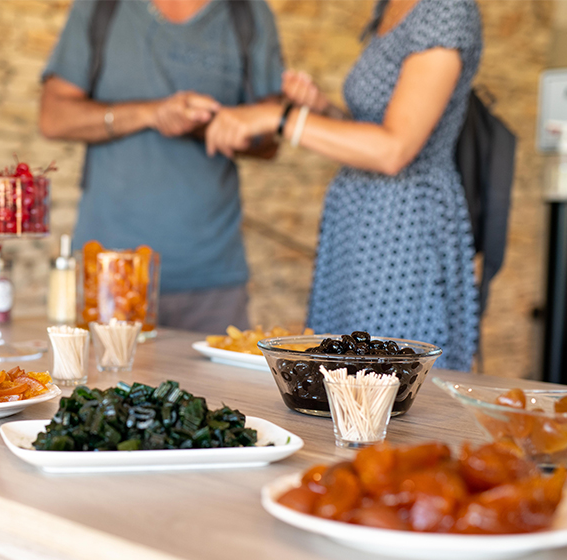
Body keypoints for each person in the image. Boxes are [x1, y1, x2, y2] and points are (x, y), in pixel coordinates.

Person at [204, 0, 483, 371]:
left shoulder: (445, 9)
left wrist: (280, 116)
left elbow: (394, 149)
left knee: (385, 381)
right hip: (356, 227)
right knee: (339, 376)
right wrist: (322, 110)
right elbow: (374, 126)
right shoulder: (389, 7)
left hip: (402, 230)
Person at [39, 0, 284, 334]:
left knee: (220, 388)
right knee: (104, 385)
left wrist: (212, 125)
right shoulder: (99, 8)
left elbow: (271, 139)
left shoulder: (248, 13)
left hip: (212, 278)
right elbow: (53, 117)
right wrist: (151, 113)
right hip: (110, 273)